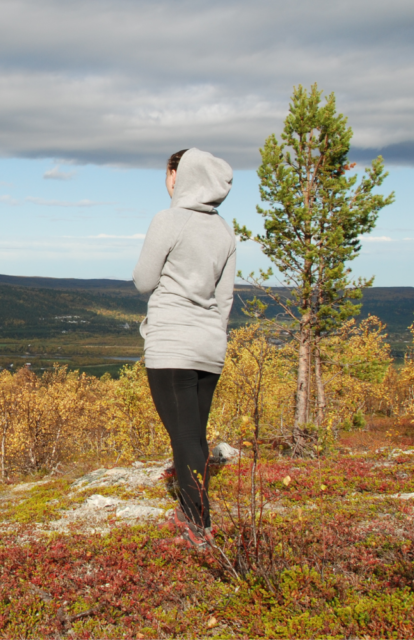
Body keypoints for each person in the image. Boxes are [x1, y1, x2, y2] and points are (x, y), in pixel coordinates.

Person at [132, 148, 235, 550]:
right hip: (210, 345)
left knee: (185, 435)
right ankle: (193, 509)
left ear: (180, 176)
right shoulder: (224, 231)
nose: (166, 180)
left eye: (168, 173)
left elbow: (143, 280)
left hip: (172, 342)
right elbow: (224, 300)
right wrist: (211, 333)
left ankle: (197, 523)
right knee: (193, 433)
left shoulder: (168, 220)